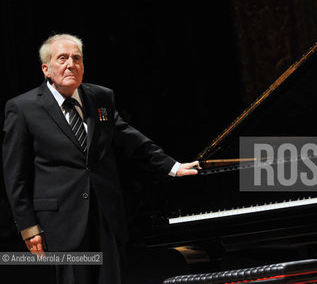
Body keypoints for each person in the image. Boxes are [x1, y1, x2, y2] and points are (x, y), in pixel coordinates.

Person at [2, 33, 200, 283]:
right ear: (46, 68)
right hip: (60, 221)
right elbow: (15, 175)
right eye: (62, 58)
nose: (70, 64)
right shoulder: (23, 108)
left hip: (106, 214)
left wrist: (171, 166)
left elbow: (128, 137)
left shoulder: (100, 97)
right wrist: (28, 226)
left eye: (77, 58)